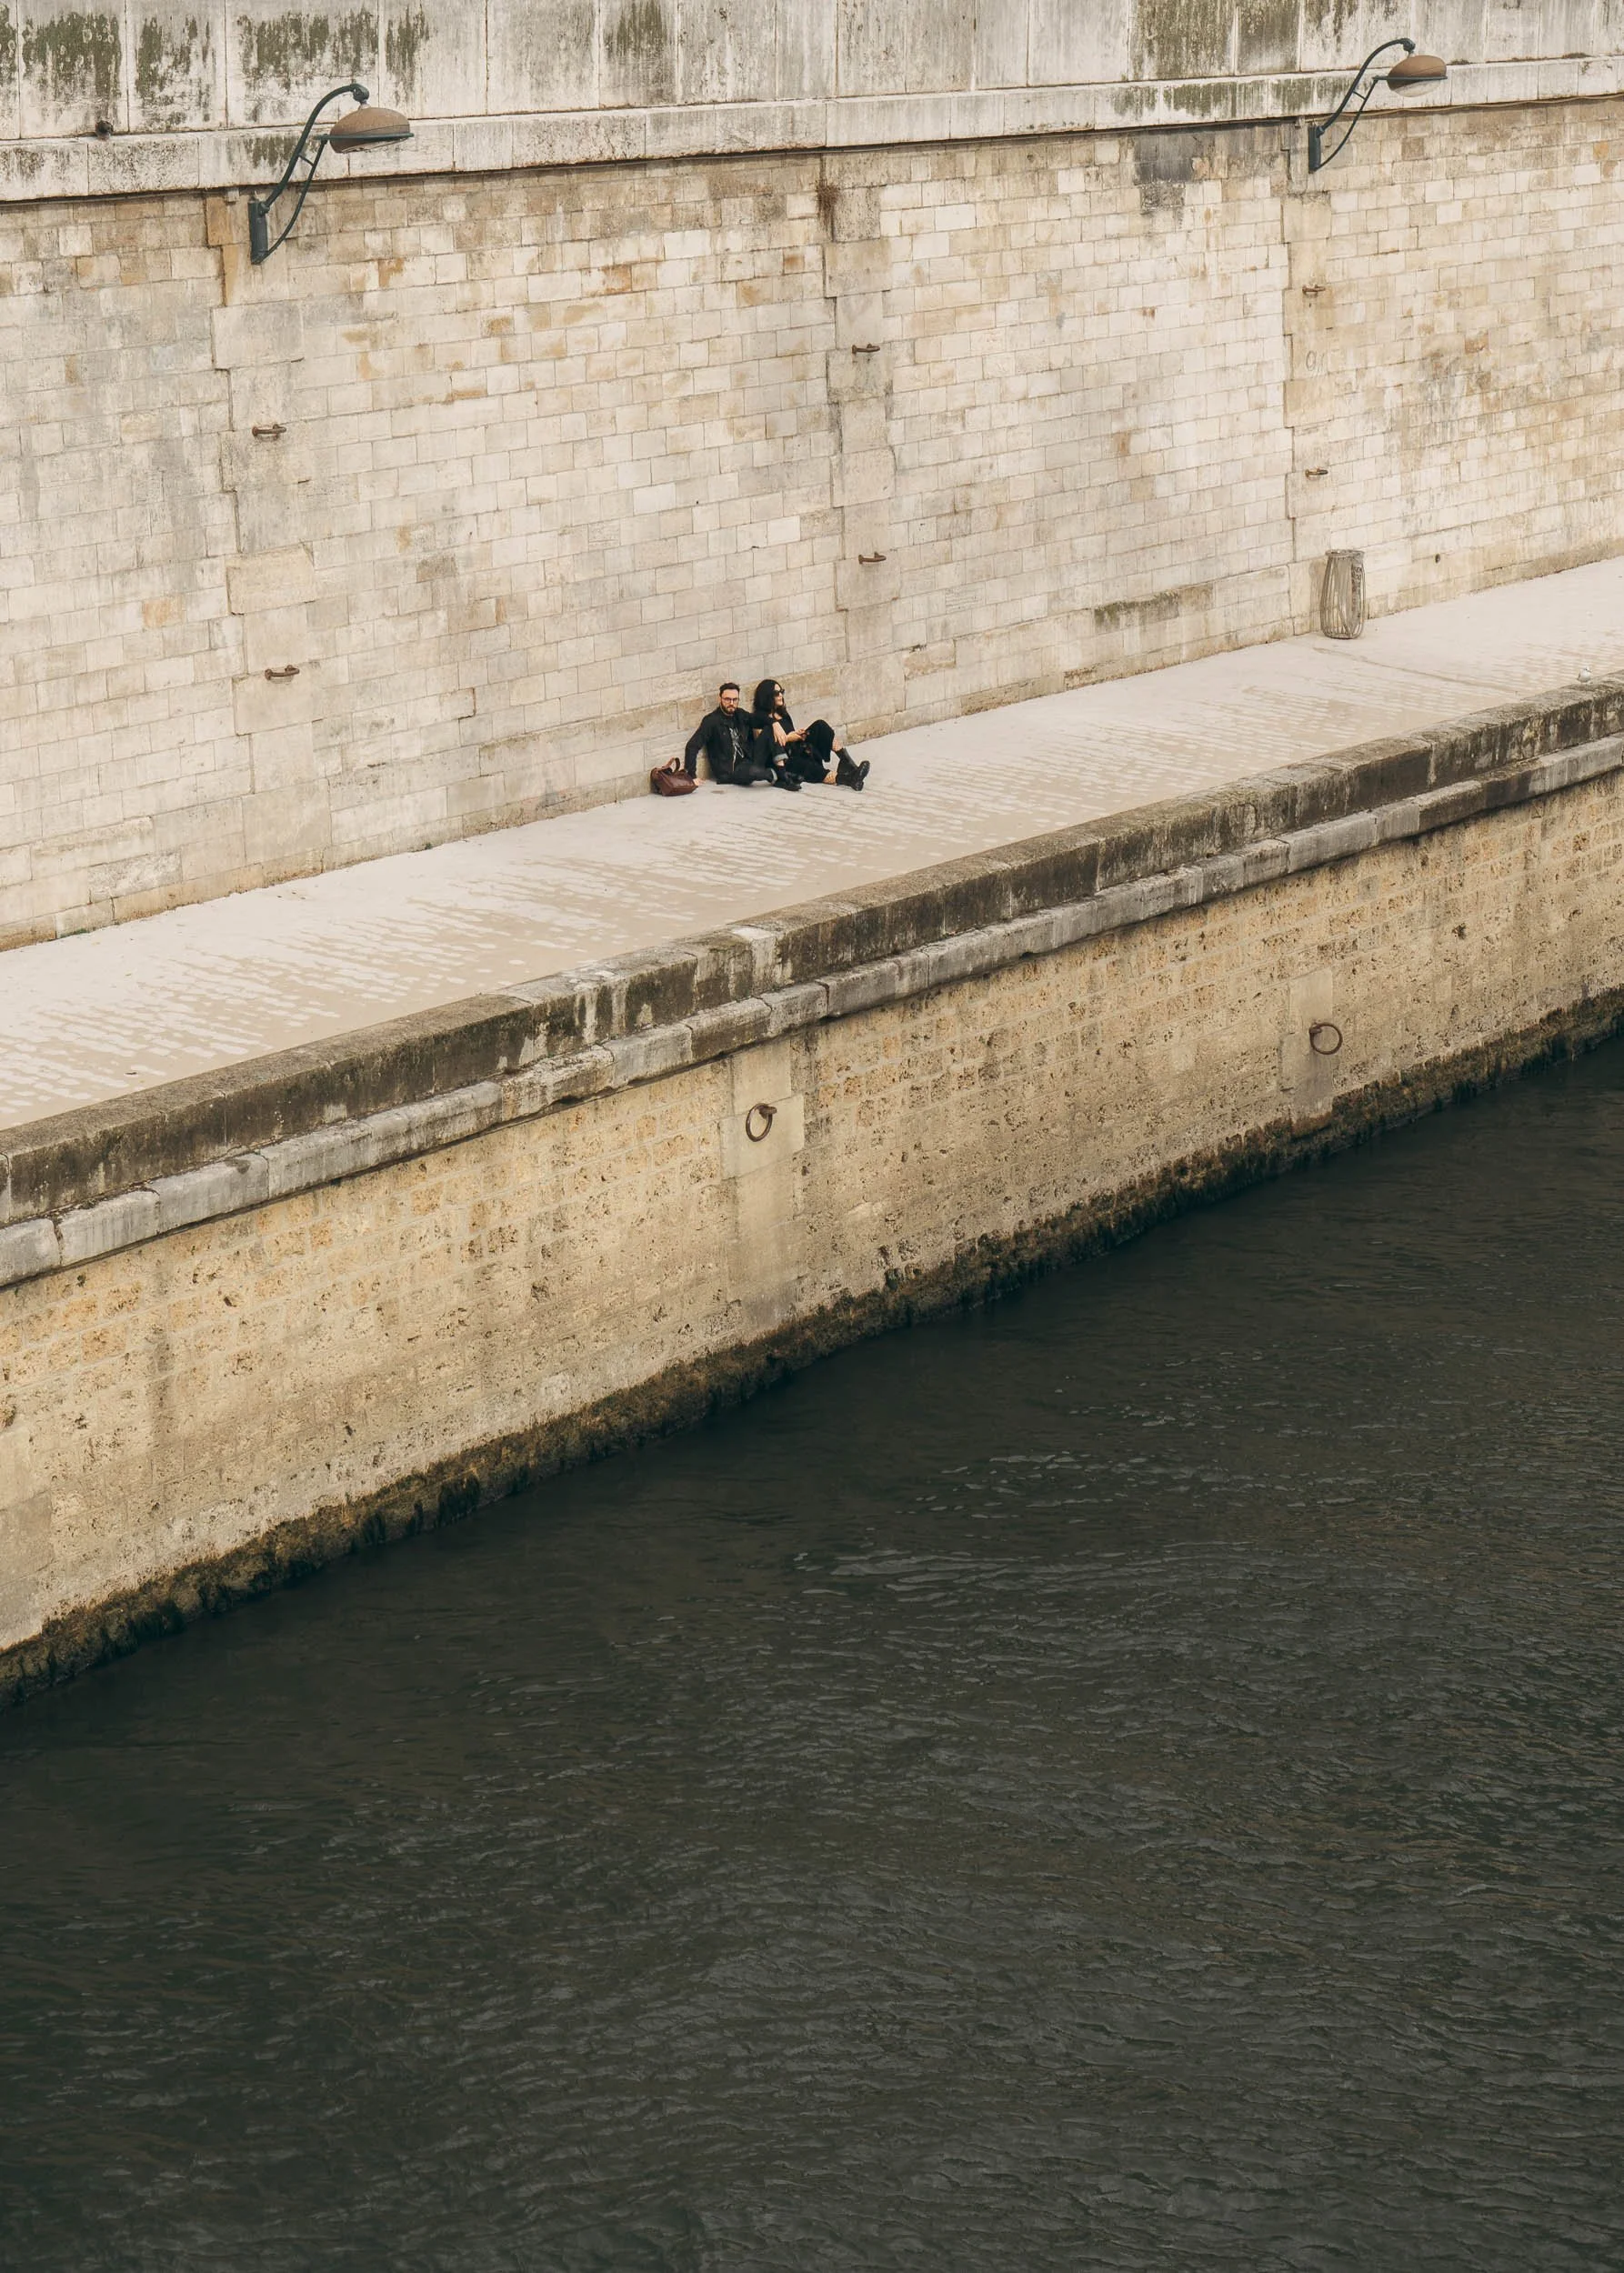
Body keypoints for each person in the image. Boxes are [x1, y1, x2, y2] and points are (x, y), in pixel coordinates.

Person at [749, 679, 869, 790]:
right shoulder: (758, 719)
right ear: (767, 696)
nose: (781, 695)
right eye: (776, 693)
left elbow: (789, 733)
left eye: (782, 691)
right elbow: (765, 749)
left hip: (797, 749)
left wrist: (798, 735)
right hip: (785, 762)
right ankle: (849, 780)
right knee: (809, 767)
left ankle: (846, 762)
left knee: (820, 725)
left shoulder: (783, 714)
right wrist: (787, 737)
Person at [684, 682, 798, 789]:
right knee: (753, 772)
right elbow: (692, 746)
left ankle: (782, 778)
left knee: (769, 729)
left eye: (735, 699)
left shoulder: (740, 714)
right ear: (720, 699)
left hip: (749, 759)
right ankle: (780, 774)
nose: (731, 703)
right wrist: (692, 776)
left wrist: (774, 723)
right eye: (727, 699)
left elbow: (757, 718)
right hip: (731, 771)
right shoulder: (711, 721)